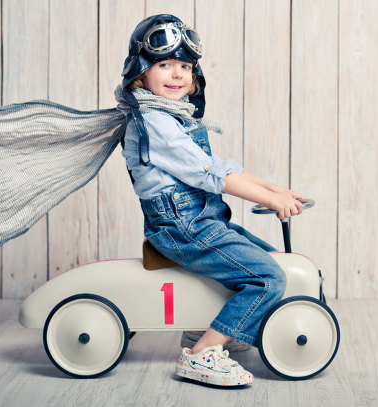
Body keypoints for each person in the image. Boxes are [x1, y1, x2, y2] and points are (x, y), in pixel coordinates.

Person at [118, 14, 306, 387]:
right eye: (164, 65)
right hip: (181, 227)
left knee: (267, 260)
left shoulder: (173, 117)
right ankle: (202, 353)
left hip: (200, 221)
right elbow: (209, 175)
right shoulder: (154, 122)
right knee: (267, 277)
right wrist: (271, 199)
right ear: (141, 72)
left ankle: (214, 327)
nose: (177, 74)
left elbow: (221, 167)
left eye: (185, 66)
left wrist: (276, 192)